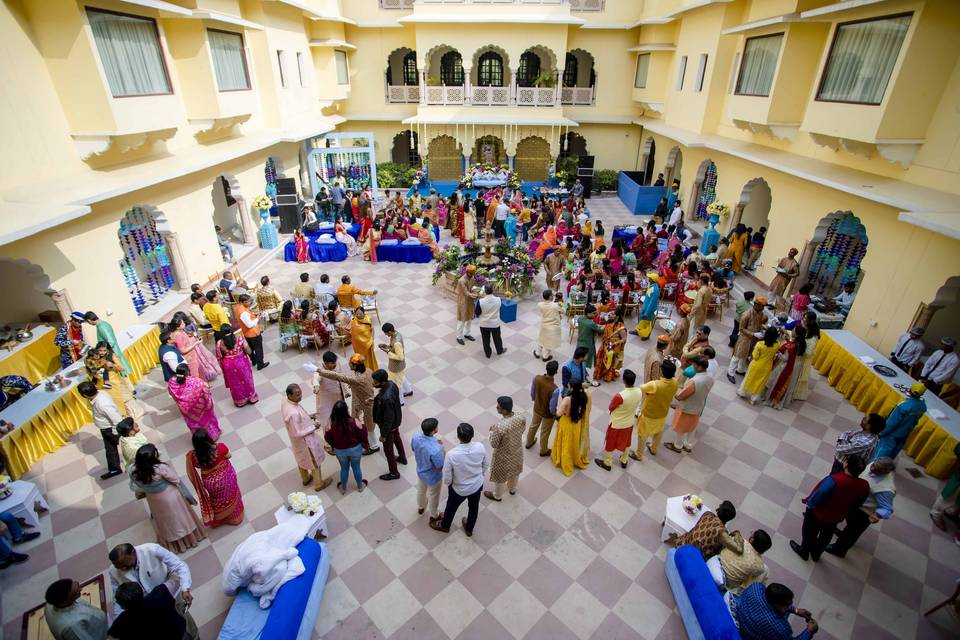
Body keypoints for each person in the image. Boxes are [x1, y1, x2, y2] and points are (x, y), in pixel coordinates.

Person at [128, 444, 206, 552]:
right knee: (180, 518)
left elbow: (135, 486)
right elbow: (175, 479)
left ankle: (176, 545)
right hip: (169, 496)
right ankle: (190, 540)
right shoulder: (160, 468)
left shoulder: (133, 470)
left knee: (165, 521)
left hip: (153, 499)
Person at [791, 456, 869, 562]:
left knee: (809, 531)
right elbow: (858, 503)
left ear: (846, 465)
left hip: (818, 512)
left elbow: (819, 495)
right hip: (837, 516)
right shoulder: (864, 485)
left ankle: (804, 551)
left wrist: (810, 504)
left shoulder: (834, 480)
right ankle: (816, 554)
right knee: (826, 535)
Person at [108, 542, 197, 635]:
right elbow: (117, 598)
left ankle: (195, 636)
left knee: (184, 620)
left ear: (133, 552)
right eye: (119, 567)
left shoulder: (152, 550)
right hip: (146, 608)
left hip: (170, 595)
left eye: (125, 565)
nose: (122, 569)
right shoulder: (113, 571)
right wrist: (120, 619)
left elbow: (179, 566)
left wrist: (185, 588)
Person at [825, 457, 896, 558]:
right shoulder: (873, 465)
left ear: (886, 471)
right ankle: (843, 534)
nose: (872, 468)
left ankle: (839, 550)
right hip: (854, 503)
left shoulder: (887, 488)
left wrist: (878, 514)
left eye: (876, 469)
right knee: (849, 524)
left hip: (863, 512)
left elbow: (887, 508)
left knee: (852, 532)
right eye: (873, 465)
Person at [430, 423, 488, 536]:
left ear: (458, 436)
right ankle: (469, 528)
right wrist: (478, 476)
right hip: (477, 485)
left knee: (451, 508)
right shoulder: (480, 446)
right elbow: (485, 465)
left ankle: (445, 526)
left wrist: (450, 484)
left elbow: (447, 477)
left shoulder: (451, 455)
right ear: (472, 435)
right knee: (474, 507)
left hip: (459, 489)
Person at [317, 353, 377, 453]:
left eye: (350, 363)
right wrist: (354, 386)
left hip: (366, 403)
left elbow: (338, 376)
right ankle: (363, 440)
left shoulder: (356, 378)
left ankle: (373, 446)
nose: (348, 364)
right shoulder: (367, 370)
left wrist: (321, 372)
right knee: (358, 420)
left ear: (355, 366)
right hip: (359, 401)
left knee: (369, 424)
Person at [185, 428, 243, 528]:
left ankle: (219, 519)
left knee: (217, 500)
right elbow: (229, 456)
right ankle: (234, 517)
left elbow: (197, 466)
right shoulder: (220, 447)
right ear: (208, 438)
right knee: (231, 494)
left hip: (210, 483)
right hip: (227, 478)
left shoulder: (194, 457)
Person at [281, 383, 331, 491]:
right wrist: (314, 426)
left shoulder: (285, 401)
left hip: (297, 443)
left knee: (301, 459)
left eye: (300, 393)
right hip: (305, 442)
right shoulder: (293, 413)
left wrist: (308, 417)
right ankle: (318, 484)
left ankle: (306, 478)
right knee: (314, 461)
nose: (300, 397)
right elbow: (298, 432)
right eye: (297, 395)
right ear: (289, 395)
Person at [631, 359, 679, 461]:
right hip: (663, 412)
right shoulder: (675, 382)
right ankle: (653, 448)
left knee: (642, 434)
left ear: (662, 371)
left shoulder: (655, 384)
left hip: (649, 413)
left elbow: (641, 388)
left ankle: (638, 455)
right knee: (658, 432)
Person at [733, 582, 819, 640]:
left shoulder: (756, 586)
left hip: (740, 617)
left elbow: (775, 602)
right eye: (787, 605)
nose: (790, 606)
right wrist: (809, 631)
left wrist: (796, 610)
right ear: (777, 605)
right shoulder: (780, 628)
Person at [595, 369, 643, 470]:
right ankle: (624, 460)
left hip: (616, 423)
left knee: (610, 442)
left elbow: (611, 407)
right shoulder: (639, 391)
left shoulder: (620, 396)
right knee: (627, 442)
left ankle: (607, 463)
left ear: (624, 381)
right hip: (629, 422)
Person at [664, 355, 714, 453]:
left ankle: (678, 446)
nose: (692, 366)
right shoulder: (710, 377)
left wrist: (677, 397)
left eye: (694, 365)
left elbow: (684, 394)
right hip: (699, 405)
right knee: (692, 427)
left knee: (681, 427)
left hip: (687, 407)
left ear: (700, 367)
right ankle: (688, 445)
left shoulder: (694, 381)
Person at [109, 581, 190, 640]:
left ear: (122, 606)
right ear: (141, 590)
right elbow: (175, 581)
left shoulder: (121, 622)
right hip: (180, 634)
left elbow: (112, 636)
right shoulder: (159, 593)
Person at [78, 380, 123, 480]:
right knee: (111, 449)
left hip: (110, 429)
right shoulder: (101, 394)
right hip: (106, 428)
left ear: (85, 395)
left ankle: (117, 467)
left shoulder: (102, 404)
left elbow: (117, 419)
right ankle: (115, 468)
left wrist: (115, 433)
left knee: (118, 446)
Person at [485, 396, 527, 501]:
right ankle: (512, 489)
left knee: (500, 476)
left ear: (504, 410)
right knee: (515, 470)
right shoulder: (521, 417)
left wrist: (491, 432)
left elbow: (494, 444)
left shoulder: (499, 426)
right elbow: (522, 430)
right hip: (517, 451)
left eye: (498, 407)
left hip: (503, 456)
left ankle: (497, 495)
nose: (496, 407)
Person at [872, 381, 927, 460]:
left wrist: (880, 433)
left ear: (910, 390)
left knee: (880, 456)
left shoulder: (904, 406)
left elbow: (892, 423)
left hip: (892, 435)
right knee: (892, 454)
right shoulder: (923, 406)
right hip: (904, 434)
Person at [706, 529, 771, 596]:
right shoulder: (760, 566)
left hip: (712, 564)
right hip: (726, 585)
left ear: (752, 540)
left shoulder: (740, 541)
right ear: (763, 551)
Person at [324, 399, 369, 494]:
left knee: (344, 468)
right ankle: (360, 486)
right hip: (355, 449)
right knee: (356, 467)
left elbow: (327, 438)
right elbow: (363, 433)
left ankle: (343, 488)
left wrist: (333, 446)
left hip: (340, 451)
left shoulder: (331, 425)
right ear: (346, 410)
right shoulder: (354, 422)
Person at [667, 500, 737, 559]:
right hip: (696, 556)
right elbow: (739, 550)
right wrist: (737, 534)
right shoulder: (722, 532)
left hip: (684, 542)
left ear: (718, 510)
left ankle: (676, 541)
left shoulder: (708, 514)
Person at [167, 364, 221, 440]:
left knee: (194, 424)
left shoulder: (171, 383)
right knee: (207, 420)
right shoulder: (196, 381)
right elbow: (205, 391)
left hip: (186, 410)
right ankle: (213, 435)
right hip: (202, 407)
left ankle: (200, 440)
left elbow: (173, 395)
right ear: (187, 372)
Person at [43, 578, 108, 640]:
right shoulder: (72, 627)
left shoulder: (50, 604)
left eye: (76, 585)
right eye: (76, 593)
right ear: (64, 603)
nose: (81, 589)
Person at [551, 381, 592, 476]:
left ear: (572, 388)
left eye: (569, 386)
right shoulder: (584, 397)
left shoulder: (567, 399)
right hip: (576, 423)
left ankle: (563, 460)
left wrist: (556, 411)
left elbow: (559, 413)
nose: (568, 386)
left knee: (565, 442)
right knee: (573, 442)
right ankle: (574, 458)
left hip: (566, 422)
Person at [372, 369, 406, 480]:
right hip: (397, 421)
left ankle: (394, 472)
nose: (373, 383)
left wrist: (383, 435)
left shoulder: (385, 399)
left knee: (388, 450)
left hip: (389, 426)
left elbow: (388, 418)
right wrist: (375, 400)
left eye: (375, 382)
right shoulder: (391, 384)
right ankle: (402, 457)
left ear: (382, 382)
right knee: (397, 438)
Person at [764, 326, 807, 410]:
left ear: (797, 334)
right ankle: (783, 401)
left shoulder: (792, 346)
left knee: (780, 382)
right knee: (790, 384)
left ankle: (774, 401)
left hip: (788, 366)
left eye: (793, 330)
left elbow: (785, 358)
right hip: (797, 365)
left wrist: (777, 352)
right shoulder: (802, 343)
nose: (792, 331)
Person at [727, 296, 767, 383]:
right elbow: (741, 329)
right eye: (762, 306)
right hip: (744, 339)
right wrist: (753, 334)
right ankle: (730, 373)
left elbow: (759, 324)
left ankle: (740, 370)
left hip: (753, 339)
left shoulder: (761, 314)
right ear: (756, 305)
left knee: (745, 356)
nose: (763, 308)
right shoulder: (746, 314)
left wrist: (762, 329)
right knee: (737, 356)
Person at [738, 327, 781, 404]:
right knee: (760, 383)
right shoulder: (777, 345)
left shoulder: (760, 344)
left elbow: (755, 356)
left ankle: (742, 392)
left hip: (756, 365)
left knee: (749, 378)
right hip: (767, 367)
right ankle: (753, 399)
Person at [412, 418, 445, 521]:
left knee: (421, 491)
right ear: (434, 431)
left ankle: (421, 507)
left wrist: (435, 441)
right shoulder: (436, 449)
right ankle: (434, 515)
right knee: (434, 496)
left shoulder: (416, 436)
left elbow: (414, 448)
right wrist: (442, 451)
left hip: (421, 472)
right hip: (433, 477)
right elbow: (439, 468)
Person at [526, 360, 559, 456]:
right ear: (556, 372)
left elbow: (532, 393)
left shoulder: (537, 378)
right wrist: (554, 414)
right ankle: (543, 450)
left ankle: (529, 442)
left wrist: (535, 401)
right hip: (547, 414)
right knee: (545, 432)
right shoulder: (555, 389)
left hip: (537, 408)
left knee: (533, 425)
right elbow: (552, 407)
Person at [83, 311, 132, 375]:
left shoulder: (101, 327)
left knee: (120, 369)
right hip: (111, 349)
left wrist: (103, 352)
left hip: (112, 351)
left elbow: (111, 341)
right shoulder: (103, 323)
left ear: (89, 320)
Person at [234, 294, 268, 370]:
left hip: (247, 333)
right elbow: (249, 325)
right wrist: (257, 318)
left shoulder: (238, 307)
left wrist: (253, 315)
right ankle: (260, 364)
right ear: (243, 302)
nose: (250, 303)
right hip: (253, 333)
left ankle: (254, 360)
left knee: (251, 348)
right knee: (258, 349)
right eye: (249, 302)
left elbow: (247, 317)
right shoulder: (243, 313)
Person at [379, 322, 413, 397]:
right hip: (398, 365)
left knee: (398, 384)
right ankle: (409, 390)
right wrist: (386, 346)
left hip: (396, 366)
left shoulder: (397, 342)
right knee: (401, 377)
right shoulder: (396, 334)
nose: (386, 335)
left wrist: (388, 352)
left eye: (386, 333)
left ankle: (401, 401)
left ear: (390, 332)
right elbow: (393, 348)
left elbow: (400, 357)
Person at [594, 307, 627, 382]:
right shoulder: (609, 322)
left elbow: (624, 339)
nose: (610, 315)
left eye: (612, 314)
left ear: (617, 316)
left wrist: (614, 343)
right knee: (602, 359)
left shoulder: (621, 327)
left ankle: (608, 375)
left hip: (613, 347)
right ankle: (601, 373)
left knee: (610, 361)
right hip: (605, 344)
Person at [476, 284, 507, 358]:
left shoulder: (480, 301)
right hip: (495, 324)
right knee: (497, 338)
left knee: (485, 340)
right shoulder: (498, 300)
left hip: (484, 324)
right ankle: (499, 350)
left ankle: (488, 354)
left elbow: (477, 313)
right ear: (492, 291)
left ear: (485, 292)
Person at [534, 289, 562, 362]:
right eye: (552, 295)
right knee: (548, 342)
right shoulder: (556, 306)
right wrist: (560, 303)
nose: (553, 296)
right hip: (552, 327)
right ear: (550, 297)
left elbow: (547, 304)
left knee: (541, 339)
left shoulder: (540, 304)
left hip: (544, 325)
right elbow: (563, 311)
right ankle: (545, 357)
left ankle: (537, 353)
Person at [455, 265, 480, 345]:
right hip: (463, 302)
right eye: (471, 273)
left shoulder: (472, 278)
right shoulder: (461, 281)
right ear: (467, 272)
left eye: (473, 273)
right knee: (461, 320)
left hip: (470, 302)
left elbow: (473, 288)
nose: (473, 274)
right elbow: (466, 293)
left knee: (469, 318)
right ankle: (459, 337)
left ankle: (467, 334)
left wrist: (477, 291)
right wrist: (475, 295)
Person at [350, 306, 379, 371]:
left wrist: (372, 340)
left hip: (368, 344)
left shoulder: (368, 319)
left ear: (364, 313)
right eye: (357, 314)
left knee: (370, 358)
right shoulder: (354, 322)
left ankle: (372, 369)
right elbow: (353, 334)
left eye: (360, 314)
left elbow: (372, 330)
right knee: (361, 359)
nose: (358, 315)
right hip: (359, 346)